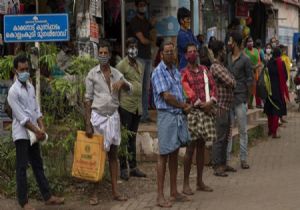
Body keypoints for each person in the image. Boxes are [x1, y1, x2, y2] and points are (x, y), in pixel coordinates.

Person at [7, 55, 64, 210]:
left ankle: (48, 196)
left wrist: (42, 127)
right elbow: (21, 117)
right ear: (15, 71)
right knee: (22, 168)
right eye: (22, 70)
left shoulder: (30, 86)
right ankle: (23, 202)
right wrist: (37, 130)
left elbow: (36, 109)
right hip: (21, 134)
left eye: (27, 69)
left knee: (38, 164)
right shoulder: (13, 92)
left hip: (34, 133)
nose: (25, 72)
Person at [84, 40, 131, 204]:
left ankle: (115, 191)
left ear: (110, 55)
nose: (103, 56)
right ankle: (94, 193)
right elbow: (87, 100)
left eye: (105, 53)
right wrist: (88, 123)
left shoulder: (116, 73)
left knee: (113, 154)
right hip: (98, 118)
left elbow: (129, 88)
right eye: (100, 53)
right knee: (97, 156)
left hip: (113, 117)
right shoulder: (92, 74)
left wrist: (122, 83)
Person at [152, 41, 192, 208]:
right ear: (161, 54)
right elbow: (166, 97)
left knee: (175, 153)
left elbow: (179, 93)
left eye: (172, 51)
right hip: (166, 116)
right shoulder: (158, 71)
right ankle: (160, 196)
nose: (170, 54)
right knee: (163, 155)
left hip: (177, 116)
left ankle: (174, 191)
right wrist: (183, 106)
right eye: (166, 52)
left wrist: (185, 105)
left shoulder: (175, 71)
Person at [181, 43, 216, 194]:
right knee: (190, 148)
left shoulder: (204, 70)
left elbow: (213, 87)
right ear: (185, 55)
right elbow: (186, 90)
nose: (193, 54)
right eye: (190, 52)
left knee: (202, 147)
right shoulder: (183, 73)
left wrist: (212, 101)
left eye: (195, 51)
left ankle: (200, 181)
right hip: (193, 113)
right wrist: (202, 104)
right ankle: (185, 184)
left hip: (206, 111)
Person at [116, 37, 146, 180]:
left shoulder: (140, 65)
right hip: (126, 106)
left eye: (135, 46)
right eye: (130, 46)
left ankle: (133, 167)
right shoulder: (122, 65)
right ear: (127, 48)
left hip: (137, 107)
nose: (133, 49)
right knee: (124, 138)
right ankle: (123, 167)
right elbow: (116, 85)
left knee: (132, 138)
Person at [227, 31, 253, 169]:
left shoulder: (245, 60)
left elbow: (250, 79)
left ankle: (243, 159)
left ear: (235, 43)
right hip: (228, 99)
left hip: (241, 98)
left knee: (243, 130)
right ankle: (227, 160)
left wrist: (247, 100)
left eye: (230, 41)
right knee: (228, 131)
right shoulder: (228, 58)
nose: (228, 43)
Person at [210, 40, 236, 177]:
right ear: (219, 52)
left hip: (226, 106)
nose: (225, 52)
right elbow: (231, 81)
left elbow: (231, 79)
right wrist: (232, 81)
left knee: (226, 137)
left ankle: (223, 163)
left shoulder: (221, 66)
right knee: (219, 138)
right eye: (224, 50)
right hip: (220, 106)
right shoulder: (216, 67)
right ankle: (216, 165)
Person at [127, 0, 154, 123]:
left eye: (144, 5)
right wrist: (151, 41)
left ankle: (144, 115)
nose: (143, 7)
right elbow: (143, 40)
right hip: (139, 58)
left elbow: (153, 35)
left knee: (146, 88)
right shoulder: (134, 22)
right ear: (136, 6)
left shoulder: (147, 22)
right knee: (138, 87)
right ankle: (136, 114)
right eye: (141, 5)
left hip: (147, 57)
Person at [264, 47, 289, 138]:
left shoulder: (268, 63)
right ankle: (274, 132)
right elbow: (285, 77)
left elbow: (265, 76)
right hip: (278, 91)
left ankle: (270, 130)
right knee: (276, 111)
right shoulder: (281, 63)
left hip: (269, 91)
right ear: (279, 55)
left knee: (269, 110)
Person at [177, 7, 200, 71]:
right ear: (181, 20)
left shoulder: (189, 31)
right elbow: (192, 48)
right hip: (185, 66)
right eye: (187, 19)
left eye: (190, 19)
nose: (189, 21)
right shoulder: (181, 35)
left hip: (193, 64)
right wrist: (196, 46)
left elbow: (197, 45)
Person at [244, 36, 263, 109]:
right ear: (246, 43)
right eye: (249, 41)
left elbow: (259, 60)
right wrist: (253, 67)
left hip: (256, 72)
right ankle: (247, 103)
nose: (250, 42)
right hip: (247, 72)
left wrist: (258, 66)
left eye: (251, 41)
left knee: (254, 88)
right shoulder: (245, 51)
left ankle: (250, 103)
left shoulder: (256, 50)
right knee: (248, 88)